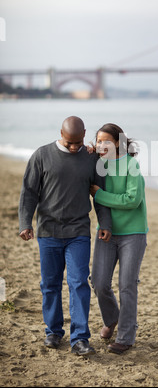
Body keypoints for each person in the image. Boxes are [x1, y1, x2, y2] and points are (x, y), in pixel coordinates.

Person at [19, 116, 111, 356]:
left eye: (78, 142)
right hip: (48, 231)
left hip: (78, 232)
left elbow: (99, 194)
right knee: (49, 284)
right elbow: (29, 192)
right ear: (60, 133)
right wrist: (24, 222)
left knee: (79, 282)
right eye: (70, 142)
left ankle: (80, 338)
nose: (74, 147)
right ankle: (53, 332)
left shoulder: (91, 158)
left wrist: (105, 222)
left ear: (84, 136)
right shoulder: (42, 155)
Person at [89, 123, 148, 354]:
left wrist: (100, 195)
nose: (101, 145)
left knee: (126, 285)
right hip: (106, 231)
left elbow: (132, 200)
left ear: (117, 143)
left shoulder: (131, 164)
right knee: (99, 282)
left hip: (133, 233)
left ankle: (125, 337)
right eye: (98, 140)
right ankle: (112, 318)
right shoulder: (97, 163)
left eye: (106, 141)